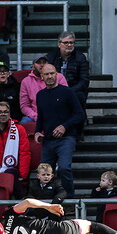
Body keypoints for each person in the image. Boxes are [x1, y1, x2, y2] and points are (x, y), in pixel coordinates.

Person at [34, 64, 84, 197]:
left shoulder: (67, 92)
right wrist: (37, 131)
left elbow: (79, 114)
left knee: (64, 168)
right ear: (41, 77)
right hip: (48, 140)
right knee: (44, 171)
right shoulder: (40, 95)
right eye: (47, 74)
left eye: (52, 73)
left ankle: (70, 200)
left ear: (57, 74)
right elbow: (40, 117)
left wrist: (64, 126)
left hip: (66, 138)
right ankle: (46, 199)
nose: (50, 76)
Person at [45, 31, 90, 107]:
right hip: (54, 88)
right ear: (59, 44)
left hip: (74, 90)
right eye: (66, 43)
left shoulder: (80, 57)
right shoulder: (51, 57)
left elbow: (84, 80)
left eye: (71, 43)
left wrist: (69, 90)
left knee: (78, 96)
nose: (69, 45)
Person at [19, 55, 67, 124]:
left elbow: (65, 98)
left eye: (44, 62)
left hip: (57, 114)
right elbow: (24, 106)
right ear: (33, 65)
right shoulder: (26, 82)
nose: (42, 65)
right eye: (39, 63)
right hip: (35, 115)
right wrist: (36, 116)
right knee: (24, 122)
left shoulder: (59, 77)